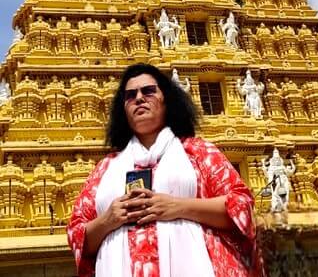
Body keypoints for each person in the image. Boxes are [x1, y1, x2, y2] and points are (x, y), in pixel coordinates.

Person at [67, 63, 260, 277]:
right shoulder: (106, 167)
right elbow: (77, 235)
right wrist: (108, 220)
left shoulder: (198, 152)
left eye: (148, 91)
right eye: (130, 95)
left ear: (167, 100)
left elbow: (242, 208)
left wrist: (178, 207)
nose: (139, 98)